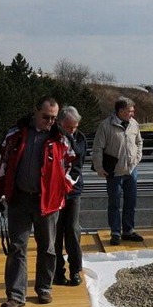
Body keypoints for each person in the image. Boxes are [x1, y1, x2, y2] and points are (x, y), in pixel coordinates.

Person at [0, 96, 73, 307]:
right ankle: (16, 295)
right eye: (46, 117)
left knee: (48, 247)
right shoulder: (15, 134)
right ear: (35, 111)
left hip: (48, 201)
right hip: (19, 199)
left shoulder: (61, 138)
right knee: (17, 247)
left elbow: (73, 165)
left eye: (54, 118)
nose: (50, 122)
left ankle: (44, 288)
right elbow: (1, 163)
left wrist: (64, 187)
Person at [92, 97, 144, 246]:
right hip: (114, 172)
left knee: (131, 202)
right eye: (130, 111)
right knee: (114, 203)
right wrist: (99, 167)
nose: (132, 114)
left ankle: (128, 230)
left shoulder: (134, 124)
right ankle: (115, 232)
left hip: (131, 171)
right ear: (121, 111)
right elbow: (97, 148)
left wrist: (137, 158)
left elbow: (139, 142)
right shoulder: (106, 126)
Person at [54, 106, 87, 286]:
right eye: (68, 127)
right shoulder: (53, 137)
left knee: (73, 229)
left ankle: (75, 270)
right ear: (60, 123)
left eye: (74, 127)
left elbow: (77, 163)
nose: (71, 130)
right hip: (55, 192)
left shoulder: (80, 138)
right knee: (56, 232)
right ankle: (57, 271)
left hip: (73, 189)